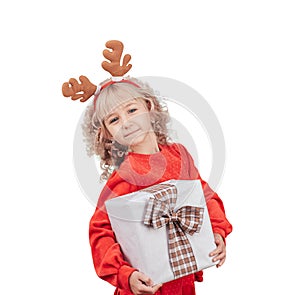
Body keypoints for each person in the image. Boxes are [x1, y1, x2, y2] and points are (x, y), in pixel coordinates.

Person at [63, 40, 232, 295]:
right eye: (114, 119)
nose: (127, 122)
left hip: (182, 278)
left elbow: (204, 196)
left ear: (149, 107)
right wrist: (124, 275)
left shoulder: (179, 154)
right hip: (148, 287)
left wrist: (217, 232)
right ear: (107, 134)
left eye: (132, 110)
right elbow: (101, 231)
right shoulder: (124, 176)